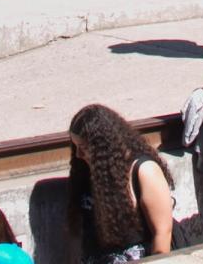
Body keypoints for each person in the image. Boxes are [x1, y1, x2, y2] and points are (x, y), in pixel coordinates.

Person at [67, 104, 174, 262]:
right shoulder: (87, 170)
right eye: (75, 147)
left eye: (83, 147)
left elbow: (163, 233)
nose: (78, 154)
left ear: (102, 147)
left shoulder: (143, 171)